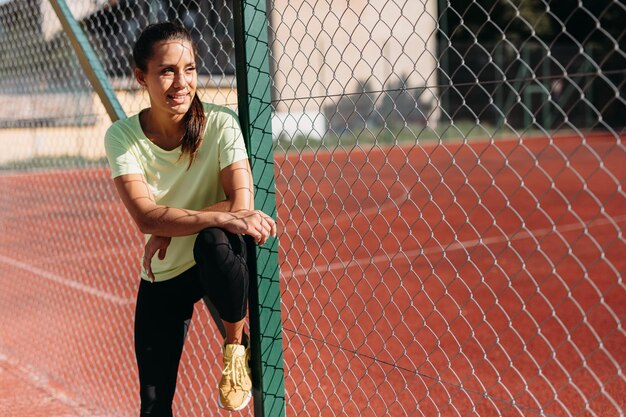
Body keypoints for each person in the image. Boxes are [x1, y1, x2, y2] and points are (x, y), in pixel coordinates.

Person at [104, 21, 276, 416]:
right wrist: (160, 225)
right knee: (153, 402)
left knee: (212, 240)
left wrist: (171, 223)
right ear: (140, 77)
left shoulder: (220, 123)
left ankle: (235, 347)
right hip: (165, 272)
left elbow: (241, 206)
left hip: (216, 255)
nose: (181, 82)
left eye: (190, 69)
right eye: (166, 70)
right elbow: (146, 217)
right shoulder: (121, 137)